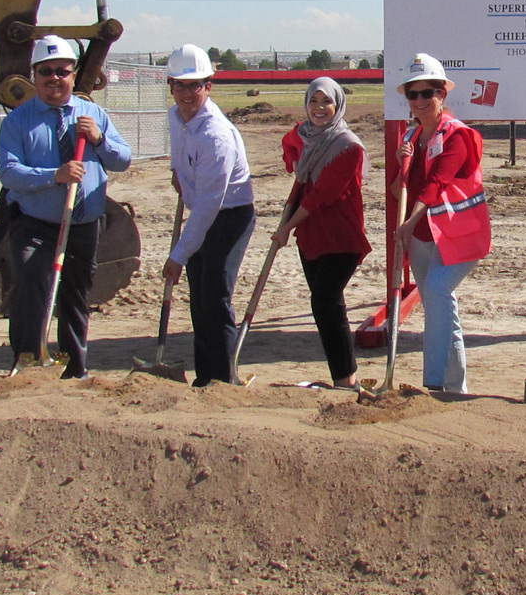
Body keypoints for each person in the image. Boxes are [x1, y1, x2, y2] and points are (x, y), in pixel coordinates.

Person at [0, 35, 133, 377]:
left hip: (83, 222)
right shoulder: (18, 121)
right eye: (46, 72)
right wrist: (54, 175)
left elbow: (123, 160)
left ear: (73, 75)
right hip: (35, 222)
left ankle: (74, 366)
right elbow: (10, 173)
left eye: (62, 71)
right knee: (31, 284)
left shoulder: (93, 114)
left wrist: (100, 140)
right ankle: (28, 358)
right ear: (35, 75)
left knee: (76, 294)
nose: (54, 78)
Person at [394, 53, 491, 393]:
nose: (419, 101)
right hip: (423, 237)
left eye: (427, 93)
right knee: (440, 306)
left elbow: (438, 183)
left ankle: (433, 383)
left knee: (435, 292)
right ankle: (455, 388)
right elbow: (399, 189)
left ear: (442, 95)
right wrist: (400, 163)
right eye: (413, 94)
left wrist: (408, 222)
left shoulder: (458, 136)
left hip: (460, 236)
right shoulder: (411, 138)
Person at [162, 43, 255, 387]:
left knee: (214, 291)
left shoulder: (216, 136)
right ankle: (205, 376)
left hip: (230, 216)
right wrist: (177, 170)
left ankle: (222, 379)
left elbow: (207, 208)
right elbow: (179, 151)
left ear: (208, 86)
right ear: (171, 85)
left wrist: (178, 255)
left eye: (195, 85)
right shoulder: (176, 117)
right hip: (203, 207)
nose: (187, 93)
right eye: (180, 85)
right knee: (198, 292)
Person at [273, 77, 370, 389]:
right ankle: (343, 377)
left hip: (341, 238)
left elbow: (322, 196)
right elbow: (300, 180)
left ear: (338, 104)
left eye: (326, 101)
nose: (319, 108)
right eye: (313, 101)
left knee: (326, 302)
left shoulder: (348, 145)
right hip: (312, 236)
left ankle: (346, 378)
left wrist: (288, 226)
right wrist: (285, 220)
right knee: (324, 303)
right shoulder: (308, 139)